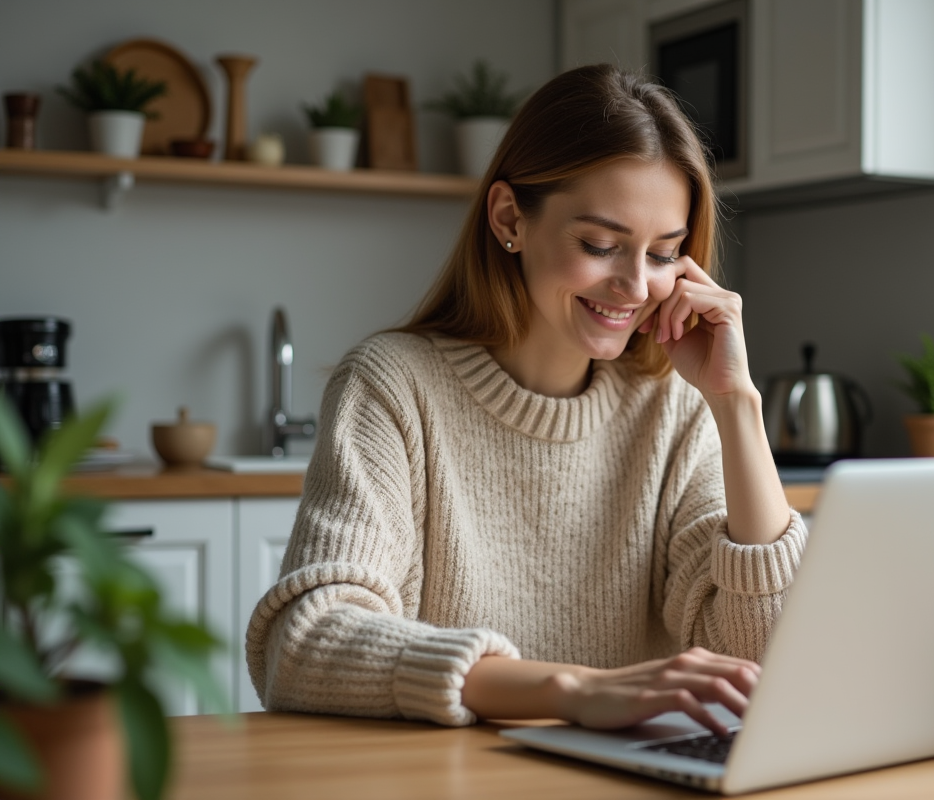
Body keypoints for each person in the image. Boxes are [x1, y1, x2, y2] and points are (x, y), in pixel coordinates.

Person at [246, 64, 806, 735]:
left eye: (663, 255)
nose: (635, 287)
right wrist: (571, 690)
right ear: (510, 218)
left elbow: (764, 657)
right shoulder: (393, 385)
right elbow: (305, 644)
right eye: (600, 244)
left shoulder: (675, 408)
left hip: (625, 778)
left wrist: (736, 404)